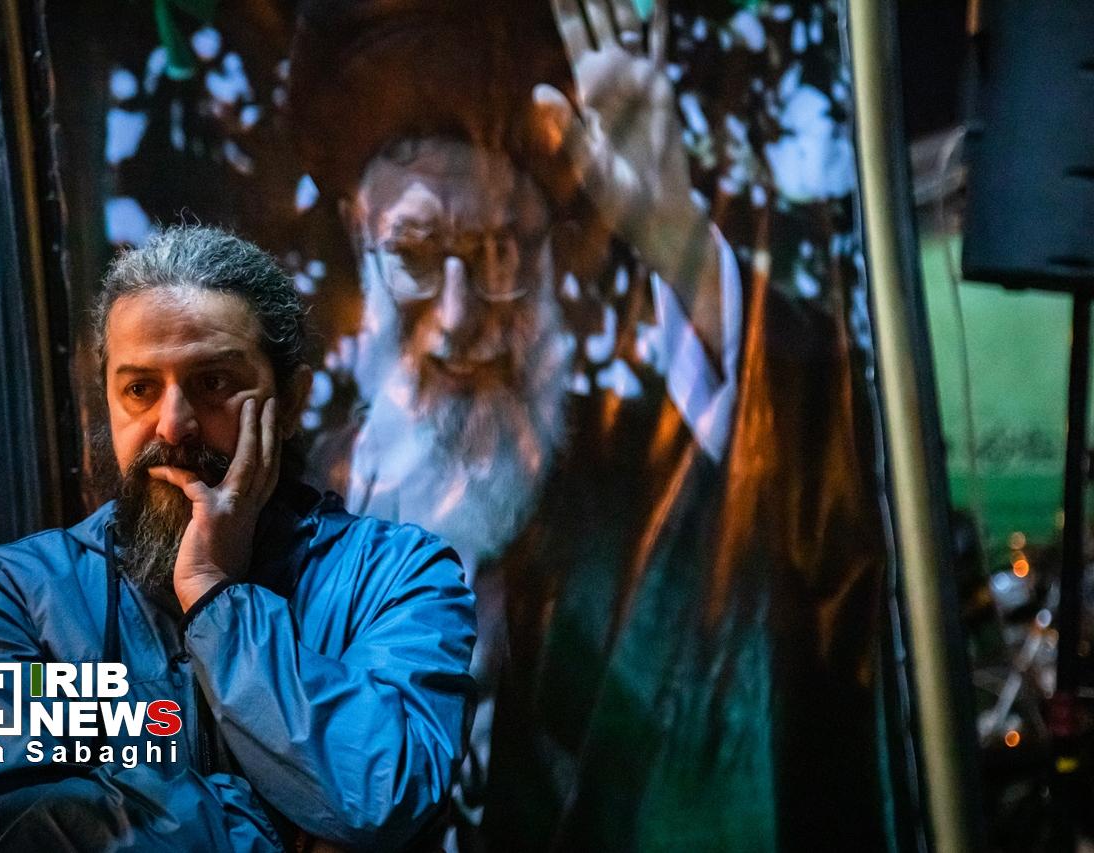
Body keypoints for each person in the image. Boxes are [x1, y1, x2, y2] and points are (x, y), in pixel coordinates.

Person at [289, 1, 888, 849]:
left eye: (497, 253)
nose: (458, 319)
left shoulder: (646, 510)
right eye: (415, 255)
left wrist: (675, 235)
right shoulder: (275, 524)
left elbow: (837, 503)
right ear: (360, 240)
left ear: (547, 256)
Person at [0, 226, 477, 851]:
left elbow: (381, 796)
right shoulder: (12, 596)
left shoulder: (402, 575)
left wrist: (214, 596)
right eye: (139, 389)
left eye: (213, 383)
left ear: (291, 402)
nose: (173, 425)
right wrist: (280, 828)